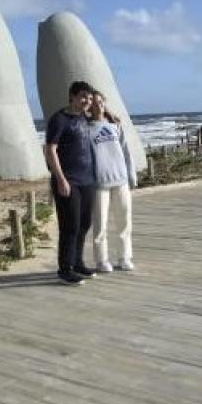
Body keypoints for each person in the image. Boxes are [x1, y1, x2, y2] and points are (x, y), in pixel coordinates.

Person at [44, 80, 99, 286]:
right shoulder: (59, 119)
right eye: (83, 96)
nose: (87, 101)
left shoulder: (84, 117)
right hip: (68, 181)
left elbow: (101, 110)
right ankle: (65, 269)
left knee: (84, 224)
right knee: (70, 226)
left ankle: (77, 263)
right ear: (72, 96)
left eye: (90, 97)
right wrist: (60, 179)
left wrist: (110, 115)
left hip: (87, 180)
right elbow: (50, 150)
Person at [87, 93, 137, 273]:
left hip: (121, 180)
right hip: (100, 183)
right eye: (95, 103)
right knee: (100, 224)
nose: (98, 105)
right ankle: (102, 260)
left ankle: (125, 257)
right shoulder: (86, 128)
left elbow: (126, 152)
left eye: (101, 102)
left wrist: (131, 176)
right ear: (90, 106)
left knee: (124, 221)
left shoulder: (115, 126)